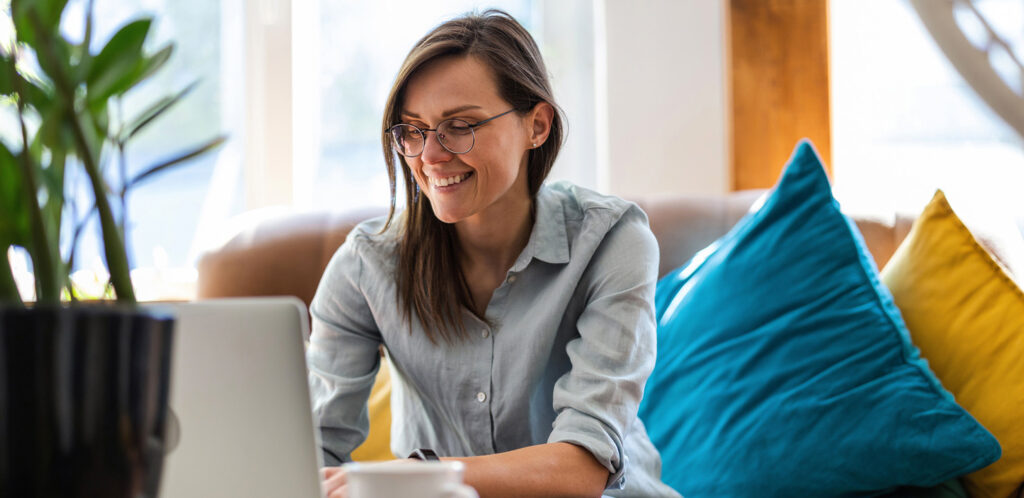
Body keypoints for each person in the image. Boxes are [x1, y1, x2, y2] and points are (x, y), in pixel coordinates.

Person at [308, 9, 678, 498]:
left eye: (459, 126)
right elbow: (313, 448)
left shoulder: (612, 242)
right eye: (413, 130)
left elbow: (582, 468)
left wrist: (417, 477)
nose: (430, 156)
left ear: (537, 126)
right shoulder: (365, 267)